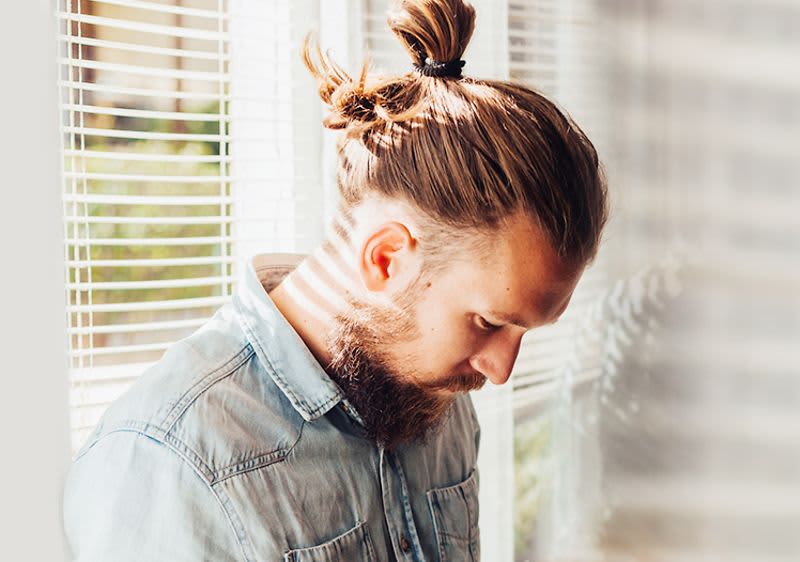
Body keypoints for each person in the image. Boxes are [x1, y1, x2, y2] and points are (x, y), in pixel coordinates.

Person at [62, 0, 608, 560]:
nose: (500, 370)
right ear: (386, 259)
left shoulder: (435, 396)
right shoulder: (169, 464)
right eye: (490, 322)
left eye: (525, 332)